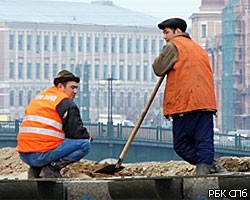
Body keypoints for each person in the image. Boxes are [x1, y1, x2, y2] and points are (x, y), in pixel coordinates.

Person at [152, 18, 226, 175]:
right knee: (204, 142)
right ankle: (207, 171)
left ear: (178, 31)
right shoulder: (198, 48)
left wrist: (165, 52)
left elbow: (158, 69)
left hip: (185, 103)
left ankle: (206, 169)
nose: (164, 37)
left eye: (166, 32)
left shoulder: (174, 45)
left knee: (181, 144)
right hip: (206, 103)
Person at [16, 70, 92, 178]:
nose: (75, 91)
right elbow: (76, 132)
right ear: (60, 86)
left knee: (48, 142)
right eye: (72, 87)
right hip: (39, 155)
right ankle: (51, 168)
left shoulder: (40, 98)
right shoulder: (65, 103)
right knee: (84, 144)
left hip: (24, 155)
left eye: (76, 88)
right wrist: (88, 137)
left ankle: (35, 171)